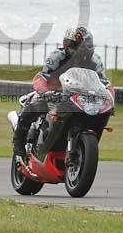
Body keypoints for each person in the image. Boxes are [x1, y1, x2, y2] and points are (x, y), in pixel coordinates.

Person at [12, 27, 115, 159]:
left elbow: (104, 83)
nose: (80, 50)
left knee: (101, 113)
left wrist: (110, 99)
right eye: (77, 46)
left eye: (84, 46)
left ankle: (83, 149)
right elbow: (41, 78)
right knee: (32, 105)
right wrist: (45, 92)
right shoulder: (57, 56)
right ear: (67, 44)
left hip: (79, 96)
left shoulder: (95, 61)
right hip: (54, 93)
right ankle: (19, 145)